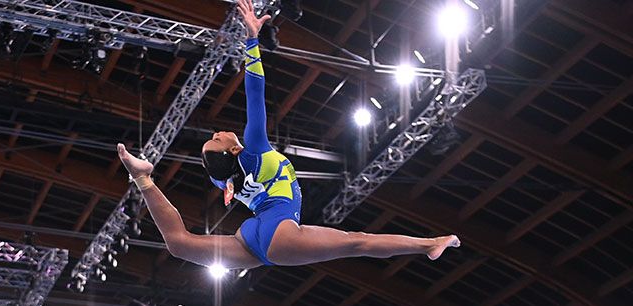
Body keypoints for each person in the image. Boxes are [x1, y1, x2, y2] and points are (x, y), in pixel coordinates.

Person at [116, 0, 459, 272]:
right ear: (233, 148)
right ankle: (428, 243)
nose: (218, 131)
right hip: (278, 230)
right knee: (358, 241)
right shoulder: (254, 152)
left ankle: (144, 179)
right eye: (217, 137)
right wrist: (251, 40)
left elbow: (221, 175)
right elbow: (255, 93)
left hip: (252, 237)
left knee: (179, 244)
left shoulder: (227, 182)